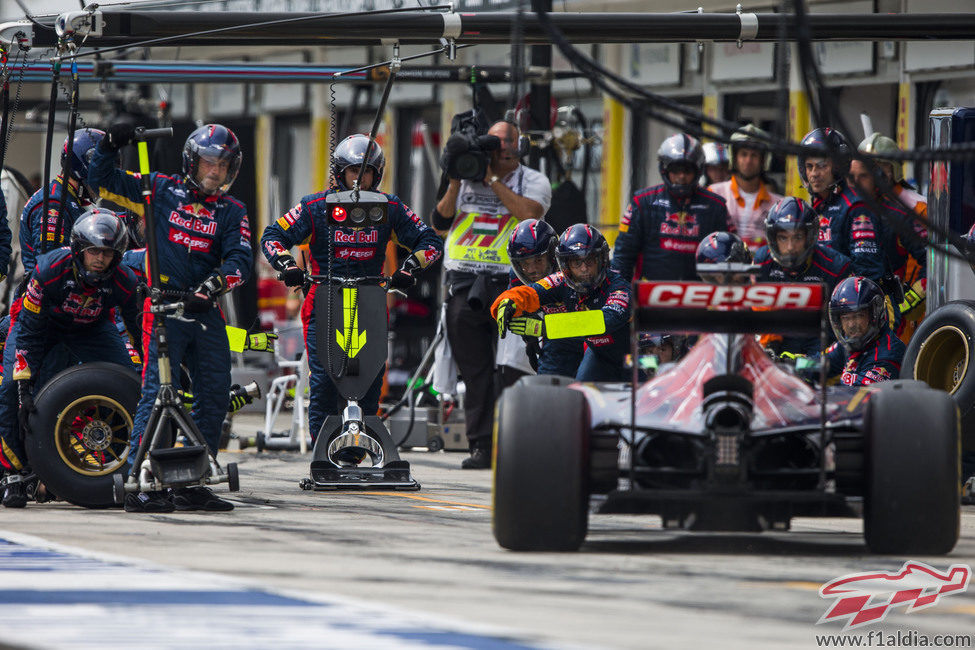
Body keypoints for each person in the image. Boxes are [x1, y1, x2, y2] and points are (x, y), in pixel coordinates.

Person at [89, 123, 252, 513]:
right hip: (161, 307)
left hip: (204, 309)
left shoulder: (233, 210)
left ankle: (191, 482)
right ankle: (141, 482)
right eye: (209, 163)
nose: (215, 172)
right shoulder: (158, 189)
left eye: (223, 165)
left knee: (214, 396)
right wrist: (111, 145)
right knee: (159, 395)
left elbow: (241, 261)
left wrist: (210, 288)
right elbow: (101, 180)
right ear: (192, 162)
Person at [261, 134, 442, 448]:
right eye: (354, 172)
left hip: (370, 299)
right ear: (339, 173)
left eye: (368, 172)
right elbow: (272, 235)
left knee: (371, 380)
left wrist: (409, 267)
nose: (361, 179)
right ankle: (323, 450)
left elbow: (432, 241)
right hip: (323, 298)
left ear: (378, 174)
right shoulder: (315, 206)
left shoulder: (390, 207)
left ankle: (362, 447)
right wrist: (288, 265)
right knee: (325, 382)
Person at [0, 209, 141, 507]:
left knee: (131, 383)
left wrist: (151, 368)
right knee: (11, 388)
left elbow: (139, 330)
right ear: (79, 249)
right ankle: (11, 474)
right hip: (40, 327)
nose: (100, 259)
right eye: (94, 251)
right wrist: (25, 387)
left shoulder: (124, 281)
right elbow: (28, 333)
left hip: (91, 329)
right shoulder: (49, 270)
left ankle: (128, 467)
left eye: (107, 252)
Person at [432, 119, 551, 469]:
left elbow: (530, 214)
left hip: (514, 282)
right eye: (494, 143)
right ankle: (482, 446)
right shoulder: (464, 173)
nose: (500, 150)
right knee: (476, 370)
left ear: (519, 145)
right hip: (466, 280)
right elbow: (439, 224)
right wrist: (455, 181)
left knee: (514, 366)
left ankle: (514, 441)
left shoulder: (534, 180)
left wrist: (492, 181)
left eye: (506, 142)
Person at [493, 224, 632, 383]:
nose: (584, 269)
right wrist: (508, 301)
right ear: (565, 266)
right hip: (598, 355)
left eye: (589, 261)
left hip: (636, 355)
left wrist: (544, 327)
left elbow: (604, 320)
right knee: (574, 394)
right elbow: (531, 292)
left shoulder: (620, 287)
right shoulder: (560, 280)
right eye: (576, 263)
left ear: (601, 260)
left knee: (648, 398)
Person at [612, 133, 735, 282]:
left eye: (687, 170)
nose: (682, 176)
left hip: (701, 296)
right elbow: (623, 255)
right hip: (648, 294)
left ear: (698, 170)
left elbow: (731, 256)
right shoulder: (642, 202)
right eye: (676, 170)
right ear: (665, 169)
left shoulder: (716, 206)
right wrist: (619, 294)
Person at [851, 133, 928, 341]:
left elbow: (930, 262)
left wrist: (905, 303)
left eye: (882, 167)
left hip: (903, 304)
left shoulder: (915, 207)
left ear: (893, 169)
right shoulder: (853, 206)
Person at [753, 197, 851, 356]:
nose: (790, 247)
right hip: (778, 338)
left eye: (797, 237)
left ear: (810, 236)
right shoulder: (762, 262)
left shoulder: (836, 267)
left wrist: (815, 361)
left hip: (822, 338)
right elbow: (760, 315)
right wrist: (771, 347)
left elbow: (843, 328)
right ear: (773, 238)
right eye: (783, 238)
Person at [19, 129, 117, 278]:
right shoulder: (55, 204)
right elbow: (49, 265)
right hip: (46, 295)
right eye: (101, 174)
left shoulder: (70, 199)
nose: (103, 183)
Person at [799, 127, 888, 284]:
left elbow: (867, 273)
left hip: (851, 302)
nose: (814, 174)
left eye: (821, 166)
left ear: (838, 168)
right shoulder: (818, 205)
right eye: (809, 166)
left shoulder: (857, 207)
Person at [505, 219, 583, 378]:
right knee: (546, 386)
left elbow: (598, 321)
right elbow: (521, 315)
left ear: (553, 255)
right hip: (555, 341)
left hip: (597, 340)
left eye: (538, 260)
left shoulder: (578, 269)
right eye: (524, 263)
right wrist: (530, 338)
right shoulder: (517, 279)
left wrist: (545, 328)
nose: (532, 270)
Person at [815, 276, 905, 386]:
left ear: (874, 315)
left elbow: (857, 399)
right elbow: (819, 363)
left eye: (858, 316)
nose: (851, 324)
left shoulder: (887, 357)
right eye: (845, 318)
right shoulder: (849, 343)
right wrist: (795, 363)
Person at [707, 125, 782, 249]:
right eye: (743, 154)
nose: (748, 160)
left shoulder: (778, 205)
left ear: (763, 161)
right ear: (734, 158)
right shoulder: (714, 193)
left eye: (754, 155)